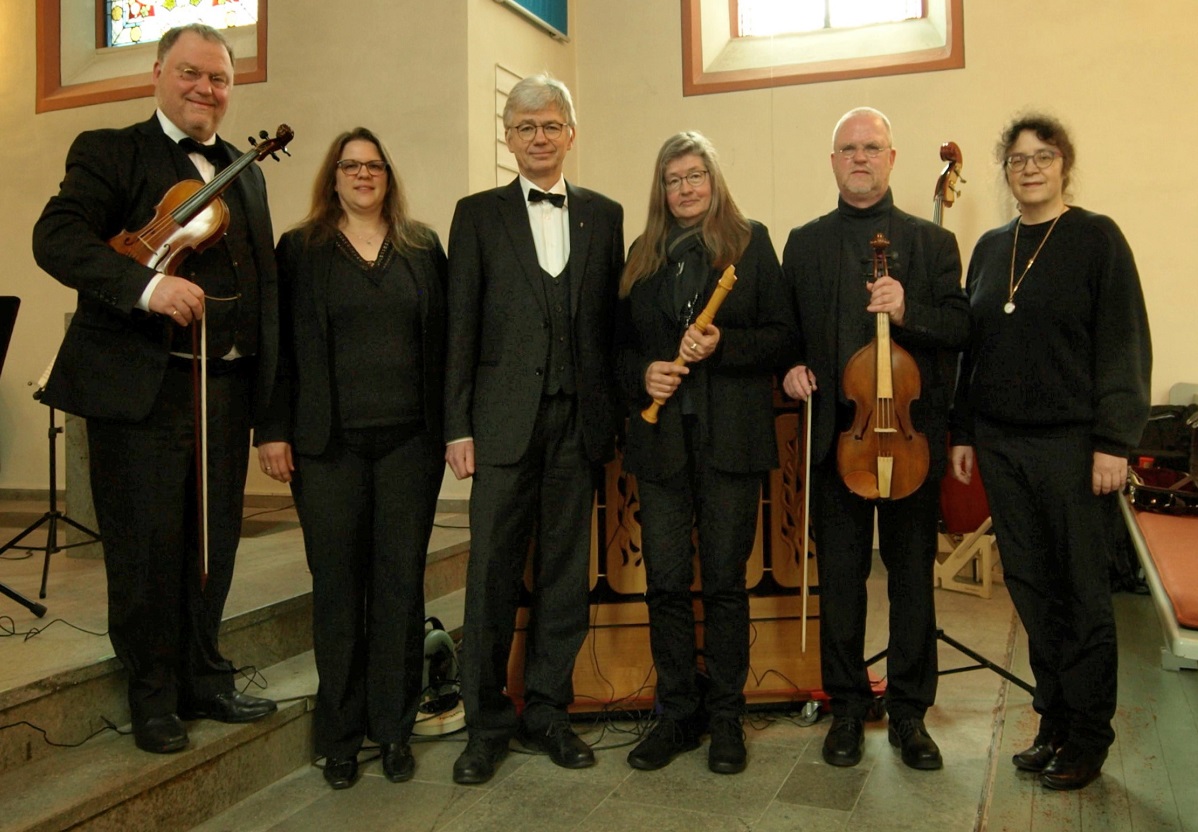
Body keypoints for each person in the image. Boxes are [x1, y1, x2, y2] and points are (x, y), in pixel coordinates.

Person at [31, 24, 279, 754]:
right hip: (143, 390)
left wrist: (272, 401)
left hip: (223, 386)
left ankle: (205, 676)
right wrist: (147, 287)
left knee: (214, 545)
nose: (206, 89)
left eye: (221, 79)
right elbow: (57, 239)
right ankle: (152, 695)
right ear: (158, 73)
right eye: (192, 74)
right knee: (145, 547)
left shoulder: (246, 169)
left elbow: (263, 282)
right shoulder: (109, 150)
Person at [949, 113, 1151, 791]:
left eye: (1043, 156)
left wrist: (1114, 443)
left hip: (1073, 447)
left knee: (1083, 597)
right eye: (1017, 159)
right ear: (1004, 171)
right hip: (1002, 443)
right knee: (1033, 594)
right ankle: (1053, 721)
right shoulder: (989, 246)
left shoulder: (1097, 239)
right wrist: (963, 432)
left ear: (1065, 164)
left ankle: (1090, 736)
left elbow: (1124, 344)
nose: (1030, 168)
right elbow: (971, 351)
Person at [443, 73, 625, 784]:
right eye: (525, 128)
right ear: (508, 138)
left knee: (561, 576)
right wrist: (458, 424)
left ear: (570, 134)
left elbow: (612, 329)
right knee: (489, 573)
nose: (540, 138)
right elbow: (460, 327)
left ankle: (549, 711)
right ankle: (484, 723)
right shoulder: (476, 215)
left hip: (578, 424)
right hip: (500, 425)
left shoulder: (605, 217)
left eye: (551, 126)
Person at [256, 128, 447, 790]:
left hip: (410, 445)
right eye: (350, 166)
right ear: (332, 177)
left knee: (399, 588)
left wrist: (455, 431)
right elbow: (275, 348)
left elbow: (445, 343)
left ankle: (393, 728)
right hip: (327, 446)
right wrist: (271, 429)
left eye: (373, 165)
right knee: (337, 589)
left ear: (387, 176)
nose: (363, 175)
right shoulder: (300, 250)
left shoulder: (423, 247)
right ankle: (338, 737)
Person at [782, 107, 969, 771]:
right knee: (841, 580)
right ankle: (845, 706)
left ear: (891, 159)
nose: (860, 159)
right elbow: (785, 331)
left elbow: (957, 330)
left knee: (912, 580)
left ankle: (911, 713)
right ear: (833, 162)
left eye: (872, 148)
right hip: (840, 442)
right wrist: (792, 366)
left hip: (910, 445)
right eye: (848, 149)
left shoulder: (930, 244)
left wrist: (907, 310)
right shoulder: (803, 243)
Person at [614, 131, 793, 774]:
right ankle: (675, 715)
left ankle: (725, 719)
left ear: (714, 181)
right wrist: (647, 375)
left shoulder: (752, 242)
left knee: (723, 584)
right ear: (661, 190)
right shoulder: (641, 255)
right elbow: (617, 347)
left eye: (696, 176)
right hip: (661, 441)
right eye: (674, 180)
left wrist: (725, 347)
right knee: (663, 583)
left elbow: (781, 335)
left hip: (730, 442)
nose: (686, 189)